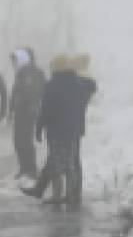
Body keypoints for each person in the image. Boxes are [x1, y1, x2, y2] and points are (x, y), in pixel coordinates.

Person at [25, 55, 98, 205]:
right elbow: (90, 87)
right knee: (71, 163)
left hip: (56, 130)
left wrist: (39, 127)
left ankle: (56, 195)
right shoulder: (78, 83)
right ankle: (71, 195)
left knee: (56, 163)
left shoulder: (52, 85)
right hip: (73, 129)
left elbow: (46, 109)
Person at [8, 47, 46, 180]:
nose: (13, 63)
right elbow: (16, 92)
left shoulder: (33, 73)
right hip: (20, 111)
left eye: (15, 60)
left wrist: (32, 104)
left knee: (25, 140)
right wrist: (11, 109)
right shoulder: (22, 72)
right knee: (19, 140)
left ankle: (31, 169)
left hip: (28, 111)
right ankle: (24, 167)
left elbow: (36, 91)